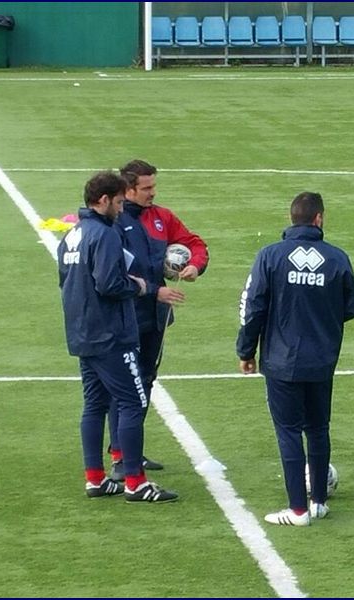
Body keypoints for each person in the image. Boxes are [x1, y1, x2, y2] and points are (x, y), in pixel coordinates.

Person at [237, 191, 354, 526]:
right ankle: (318, 501)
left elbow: (252, 307)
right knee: (318, 428)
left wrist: (246, 350)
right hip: (322, 360)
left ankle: (297, 509)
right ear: (318, 218)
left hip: (281, 360)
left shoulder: (270, 256)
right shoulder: (337, 258)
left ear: (292, 218)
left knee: (288, 431)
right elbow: (351, 307)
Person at [57, 170, 177, 503]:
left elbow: (66, 282)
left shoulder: (72, 235)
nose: (122, 209)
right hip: (111, 334)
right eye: (120, 202)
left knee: (94, 404)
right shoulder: (106, 235)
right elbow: (110, 284)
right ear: (105, 200)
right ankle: (135, 482)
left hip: (83, 332)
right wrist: (140, 286)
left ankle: (95, 478)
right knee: (132, 401)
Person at [107, 159, 209, 481]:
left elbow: (195, 243)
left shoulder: (161, 217)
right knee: (126, 388)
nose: (153, 192)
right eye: (147, 188)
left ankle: (130, 450)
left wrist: (195, 265)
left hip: (157, 320)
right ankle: (120, 455)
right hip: (125, 318)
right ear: (129, 189)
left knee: (146, 380)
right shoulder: (114, 223)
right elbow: (115, 276)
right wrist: (155, 291)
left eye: (154, 186)